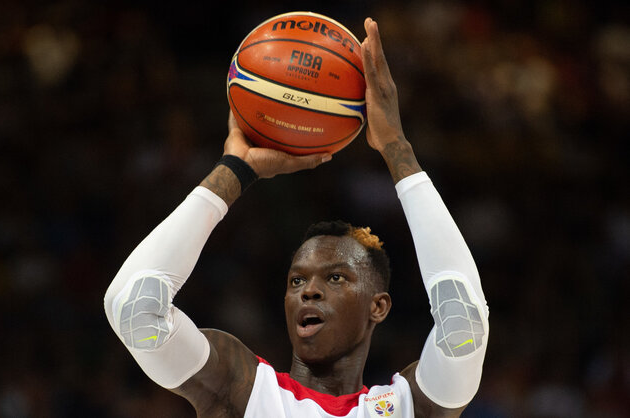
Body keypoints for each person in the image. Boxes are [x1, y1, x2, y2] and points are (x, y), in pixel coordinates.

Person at [104, 18, 488, 417]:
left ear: (379, 306)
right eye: (297, 280)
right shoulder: (244, 391)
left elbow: (463, 321)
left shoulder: (406, 407)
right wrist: (235, 170)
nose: (309, 291)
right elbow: (134, 307)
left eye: (335, 277)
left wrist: (397, 148)